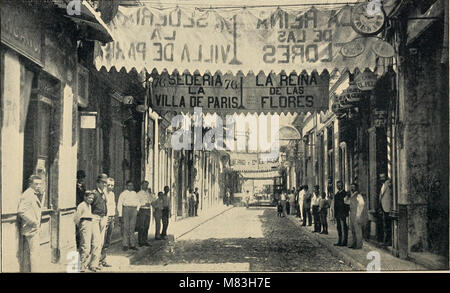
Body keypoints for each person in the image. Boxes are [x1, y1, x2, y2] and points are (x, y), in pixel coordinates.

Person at [18, 175, 44, 272]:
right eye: (36, 184)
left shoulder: (33, 194)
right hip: (30, 229)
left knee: (31, 254)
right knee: (35, 254)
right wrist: (33, 222)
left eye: (40, 184)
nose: (38, 186)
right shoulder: (28, 194)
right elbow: (21, 211)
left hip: (32, 229)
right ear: (30, 184)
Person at [89, 173, 109, 272]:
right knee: (96, 242)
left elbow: (107, 204)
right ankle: (92, 264)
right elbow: (89, 206)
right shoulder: (94, 193)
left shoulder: (104, 194)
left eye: (105, 183)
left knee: (101, 242)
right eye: (103, 183)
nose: (104, 185)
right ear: (98, 183)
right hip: (95, 218)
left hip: (103, 218)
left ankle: (96, 263)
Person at [74, 191, 95, 272]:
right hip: (84, 224)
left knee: (87, 245)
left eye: (92, 198)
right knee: (85, 246)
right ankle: (81, 265)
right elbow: (76, 218)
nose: (91, 200)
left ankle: (83, 264)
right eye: (89, 198)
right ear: (85, 197)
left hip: (89, 224)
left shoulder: (89, 205)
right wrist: (80, 227)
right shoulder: (81, 205)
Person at [117, 180, 140, 251]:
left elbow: (138, 202)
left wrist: (137, 210)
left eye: (132, 185)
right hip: (126, 210)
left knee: (132, 228)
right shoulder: (123, 194)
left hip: (134, 210)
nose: (131, 187)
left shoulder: (134, 193)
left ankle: (132, 244)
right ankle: (125, 244)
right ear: (126, 186)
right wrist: (120, 214)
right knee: (126, 227)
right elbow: (119, 204)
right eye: (129, 185)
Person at [100, 177, 116, 268]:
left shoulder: (112, 194)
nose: (110, 187)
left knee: (107, 241)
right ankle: (97, 260)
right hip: (105, 218)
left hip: (111, 218)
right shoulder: (103, 194)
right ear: (105, 184)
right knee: (102, 240)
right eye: (109, 185)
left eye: (112, 185)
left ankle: (103, 259)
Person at [348, 182, 367, 249]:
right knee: (353, 230)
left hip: (357, 214)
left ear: (356, 188)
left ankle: (358, 245)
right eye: (351, 187)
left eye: (353, 187)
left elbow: (361, 205)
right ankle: (354, 243)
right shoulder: (352, 195)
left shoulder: (358, 195)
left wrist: (358, 214)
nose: (352, 188)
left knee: (358, 230)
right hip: (352, 214)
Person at [136, 181, 154, 247]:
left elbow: (152, 200)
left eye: (147, 185)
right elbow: (137, 203)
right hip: (142, 210)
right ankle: (140, 241)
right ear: (141, 185)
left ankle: (145, 240)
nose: (146, 186)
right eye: (144, 185)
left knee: (147, 226)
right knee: (141, 226)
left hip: (148, 210)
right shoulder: (138, 194)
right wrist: (143, 204)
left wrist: (151, 193)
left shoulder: (148, 193)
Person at [333, 180, 349, 246]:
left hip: (343, 213)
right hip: (338, 213)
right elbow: (335, 205)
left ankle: (344, 241)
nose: (338, 186)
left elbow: (346, 204)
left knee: (344, 228)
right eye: (337, 185)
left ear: (342, 185)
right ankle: (339, 241)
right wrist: (335, 214)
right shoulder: (336, 195)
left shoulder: (345, 194)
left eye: (340, 185)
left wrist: (346, 213)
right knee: (339, 228)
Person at [378, 174, 392, 246]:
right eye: (380, 177)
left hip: (388, 208)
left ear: (386, 177)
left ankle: (388, 241)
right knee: (384, 225)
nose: (381, 178)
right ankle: (385, 241)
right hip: (383, 208)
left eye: (383, 177)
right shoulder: (382, 185)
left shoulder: (388, 183)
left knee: (388, 225)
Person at [75, 170, 86, 250]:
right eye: (81, 179)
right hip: (76, 208)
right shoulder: (75, 186)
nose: (82, 180)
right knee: (77, 227)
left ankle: (79, 244)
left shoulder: (83, 186)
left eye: (83, 179)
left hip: (82, 208)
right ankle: (77, 244)